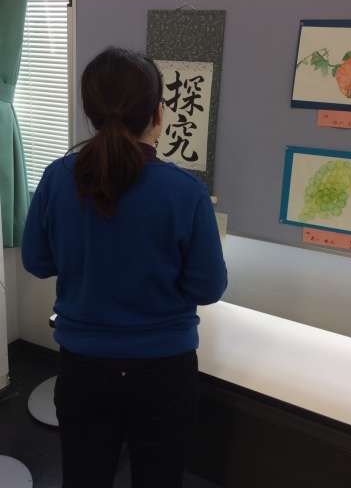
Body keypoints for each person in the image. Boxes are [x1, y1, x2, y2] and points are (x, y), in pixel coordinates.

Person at [21, 47, 228, 488]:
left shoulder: (58, 178)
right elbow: (209, 287)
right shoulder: (185, 191)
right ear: (158, 112)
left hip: (83, 369)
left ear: (89, 112)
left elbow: (36, 262)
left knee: (84, 477)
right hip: (164, 371)